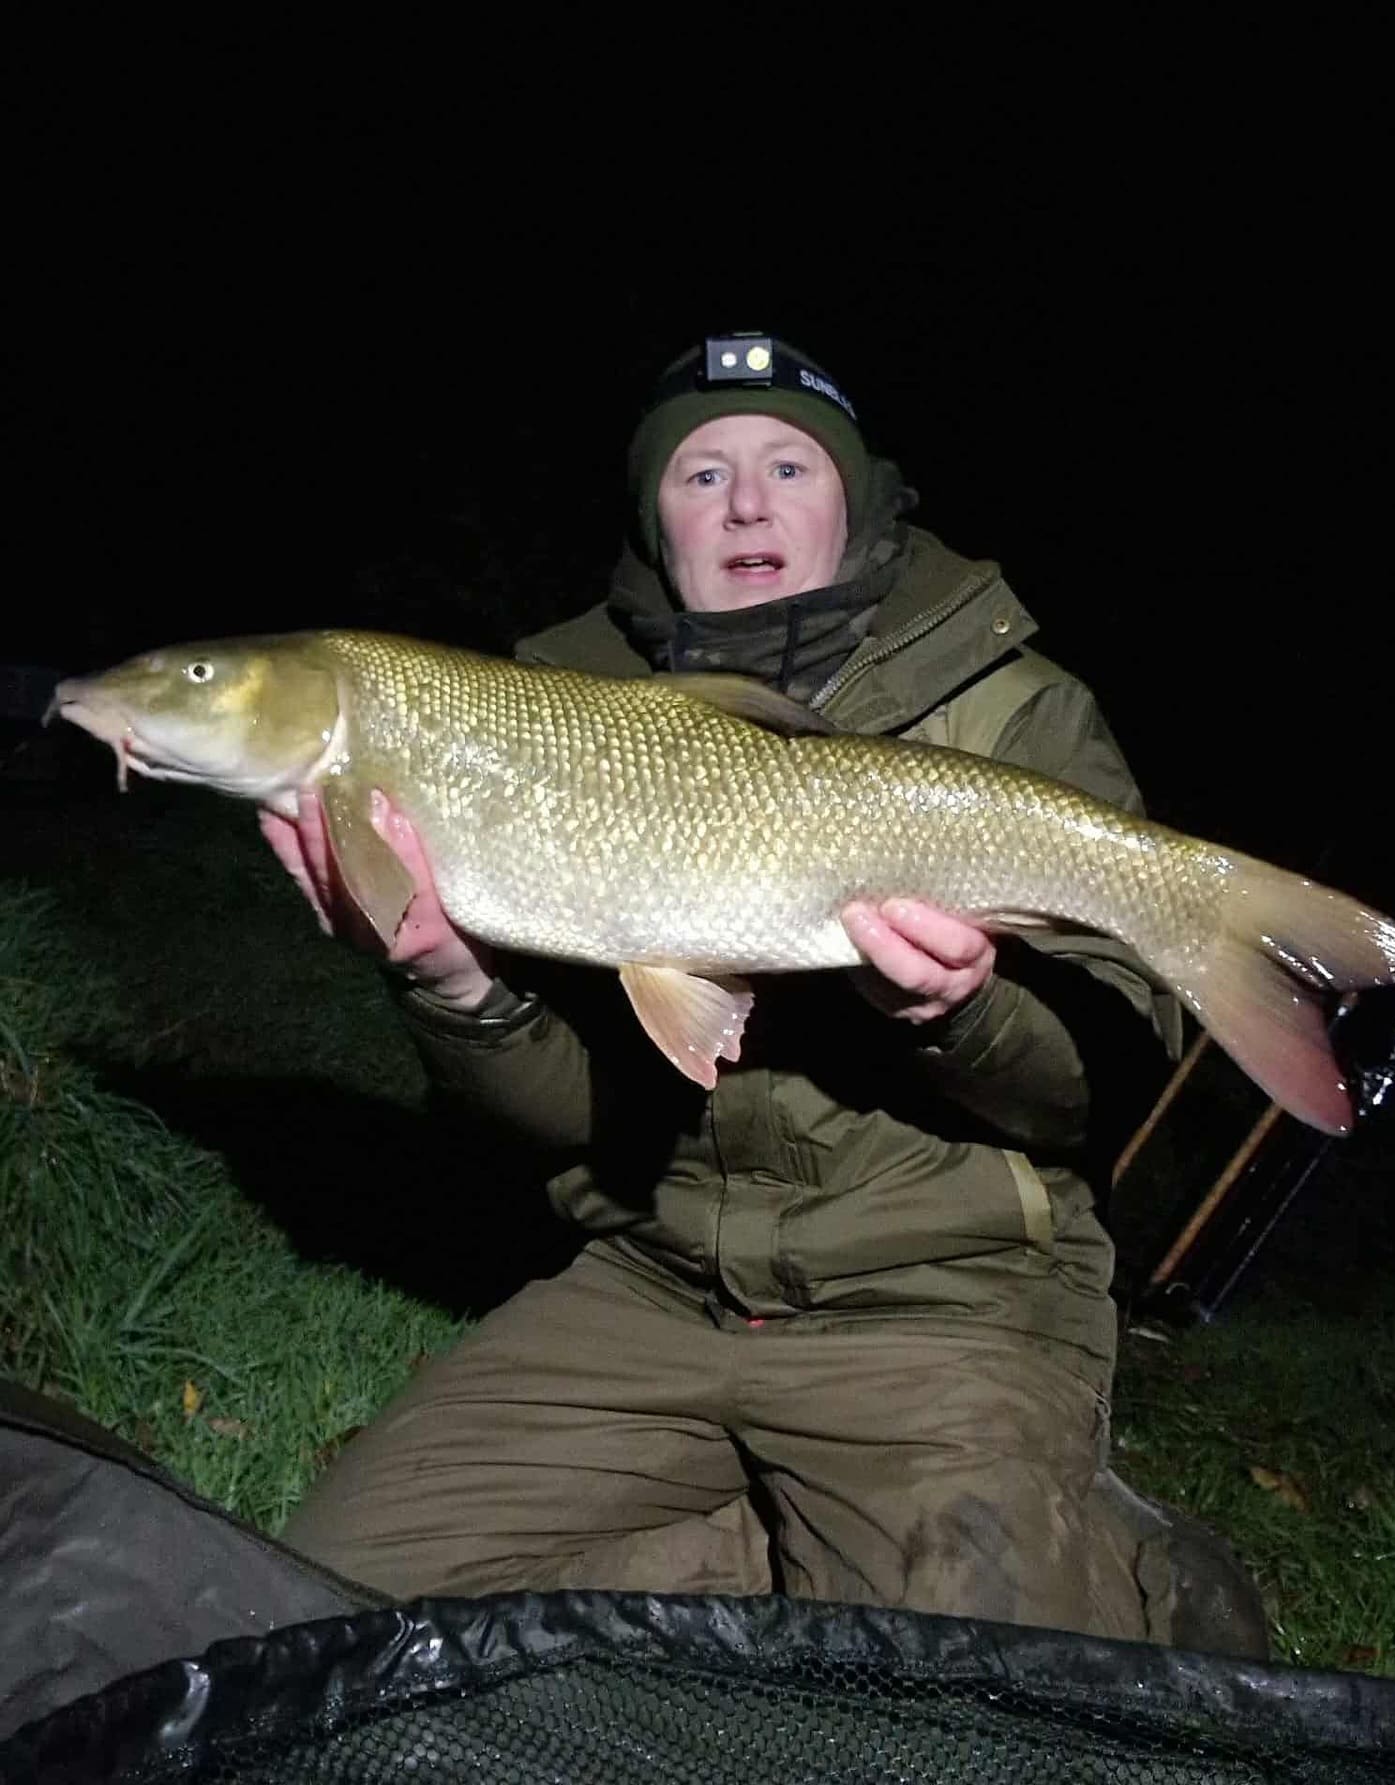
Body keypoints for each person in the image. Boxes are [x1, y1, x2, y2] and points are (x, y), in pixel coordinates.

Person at [266, 333, 1263, 1651]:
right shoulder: (546, 716)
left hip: (941, 1302)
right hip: (653, 1281)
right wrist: (450, 977)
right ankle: (773, 1541)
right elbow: (575, 1116)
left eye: (788, 463)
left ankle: (1092, 1546)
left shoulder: (1009, 707)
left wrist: (958, 1011)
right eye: (701, 473)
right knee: (306, 1612)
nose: (745, 502)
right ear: (655, 521)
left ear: (854, 497)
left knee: (956, 1715)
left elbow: (1102, 1095)